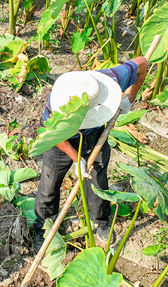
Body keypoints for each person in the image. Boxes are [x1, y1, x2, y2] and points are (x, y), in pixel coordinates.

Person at [31, 56, 148, 250]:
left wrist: (131, 96)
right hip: (60, 138)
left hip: (94, 134)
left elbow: (142, 62)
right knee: (49, 184)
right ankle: (43, 226)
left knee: (98, 178)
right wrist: (77, 159)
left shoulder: (111, 79)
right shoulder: (57, 103)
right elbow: (50, 132)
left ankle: (100, 221)